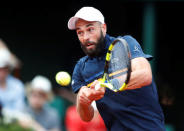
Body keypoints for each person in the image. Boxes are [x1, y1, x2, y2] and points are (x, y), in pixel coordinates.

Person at [67, 6, 166, 131]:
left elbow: (145, 75)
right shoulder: (81, 67)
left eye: (90, 29)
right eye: (79, 32)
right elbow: (86, 117)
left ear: (103, 28)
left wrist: (109, 82)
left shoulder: (126, 42)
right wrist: (84, 101)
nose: (85, 37)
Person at [0, 48, 25, 112]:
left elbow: (19, 109)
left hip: (14, 120)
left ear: (9, 68)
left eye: (5, 68)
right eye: (0, 68)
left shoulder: (18, 85)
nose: (2, 72)